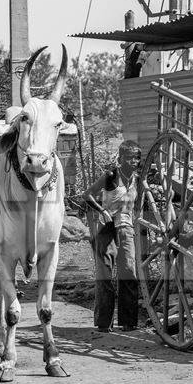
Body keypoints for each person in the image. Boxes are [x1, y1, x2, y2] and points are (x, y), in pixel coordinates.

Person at [83, 140, 142, 332]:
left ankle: (128, 322)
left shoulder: (137, 179)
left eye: (136, 157)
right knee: (105, 275)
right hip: (106, 229)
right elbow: (88, 194)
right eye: (130, 157)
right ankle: (103, 323)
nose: (134, 161)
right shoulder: (111, 175)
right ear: (121, 157)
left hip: (126, 230)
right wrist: (102, 210)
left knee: (128, 274)